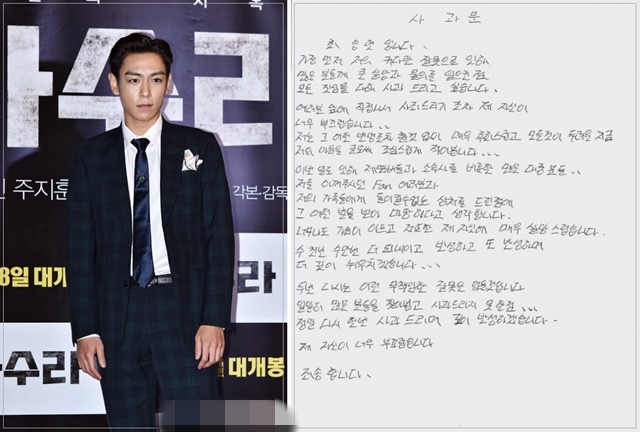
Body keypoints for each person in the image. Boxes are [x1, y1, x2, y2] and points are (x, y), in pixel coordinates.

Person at [65, 32, 235, 429]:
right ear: (114, 83)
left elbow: (219, 238)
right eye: (133, 79)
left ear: (169, 83)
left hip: (184, 311)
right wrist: (85, 329)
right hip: (116, 316)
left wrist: (214, 319)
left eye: (156, 79)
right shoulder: (91, 157)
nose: (145, 91)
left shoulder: (199, 147)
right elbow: (79, 247)